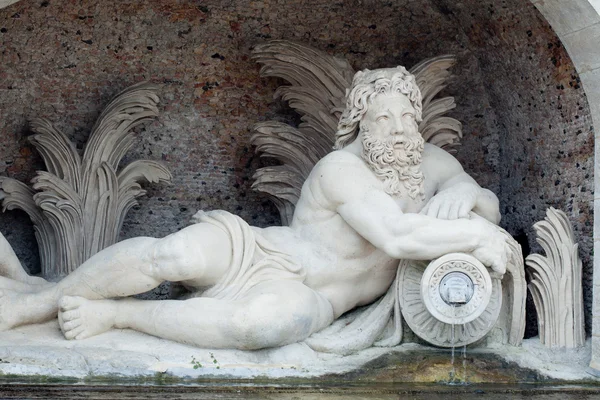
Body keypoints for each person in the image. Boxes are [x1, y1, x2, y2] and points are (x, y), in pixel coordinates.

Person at [0, 66, 509, 350]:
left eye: (406, 116)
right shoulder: (342, 168)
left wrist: (469, 195)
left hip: (316, 301)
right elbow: (396, 237)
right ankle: (34, 305)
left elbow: (483, 198)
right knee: (171, 257)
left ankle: (118, 315)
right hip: (263, 252)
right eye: (383, 118)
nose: (398, 130)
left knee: (257, 329)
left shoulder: (432, 161)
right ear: (360, 123)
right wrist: (475, 235)